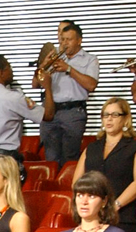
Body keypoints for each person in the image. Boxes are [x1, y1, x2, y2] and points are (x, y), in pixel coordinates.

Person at [75, 98, 136, 232]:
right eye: (105, 115)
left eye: (115, 115)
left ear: (125, 119)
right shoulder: (92, 148)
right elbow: (77, 183)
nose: (109, 119)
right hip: (93, 218)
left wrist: (114, 206)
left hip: (124, 217)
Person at [0, 55, 45, 196]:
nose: (11, 71)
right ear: (1, 72)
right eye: (8, 67)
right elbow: (46, 116)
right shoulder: (14, 97)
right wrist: (48, 87)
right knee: (5, 208)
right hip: (3, 160)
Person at [36, 22, 100, 164]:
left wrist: (69, 69)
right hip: (50, 112)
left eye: (69, 40)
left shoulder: (90, 59)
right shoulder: (55, 57)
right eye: (63, 39)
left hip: (73, 112)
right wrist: (43, 65)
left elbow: (91, 85)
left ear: (79, 40)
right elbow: (35, 83)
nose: (64, 43)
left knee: (69, 157)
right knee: (50, 158)